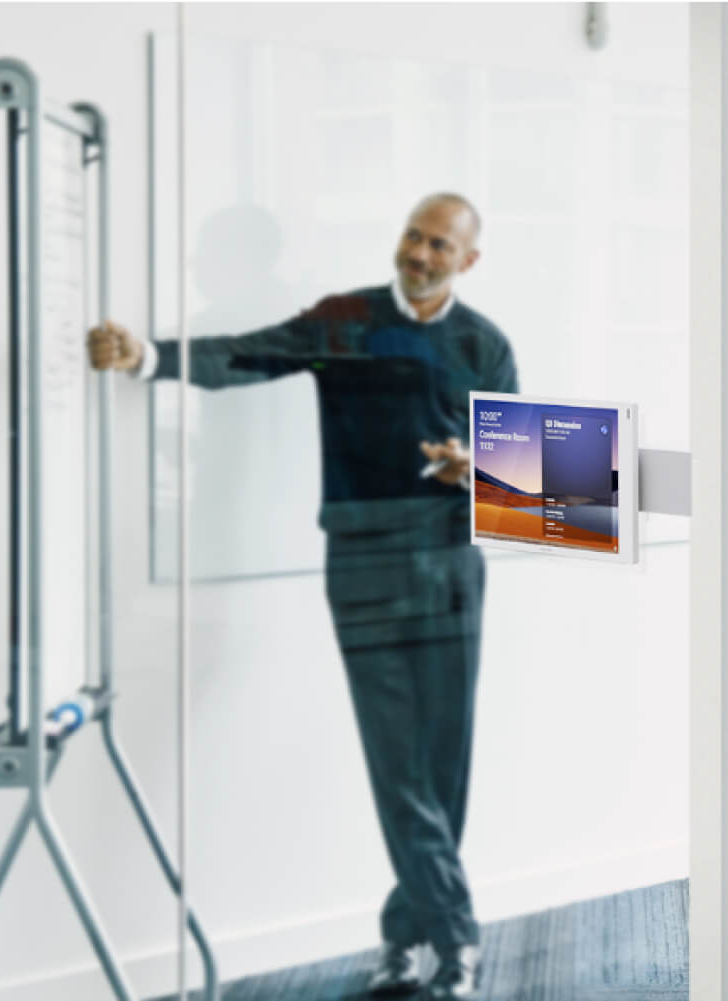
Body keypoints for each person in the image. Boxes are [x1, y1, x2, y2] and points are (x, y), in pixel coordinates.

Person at [88, 193, 515, 1000]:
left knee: (443, 760)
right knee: (396, 762)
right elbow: (243, 354)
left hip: (453, 560)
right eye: (413, 235)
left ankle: (402, 932)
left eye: (438, 243)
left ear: (468, 260)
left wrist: (475, 465)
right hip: (362, 556)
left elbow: (515, 463)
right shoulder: (344, 318)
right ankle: (457, 939)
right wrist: (147, 355)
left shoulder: (485, 343)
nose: (419, 252)